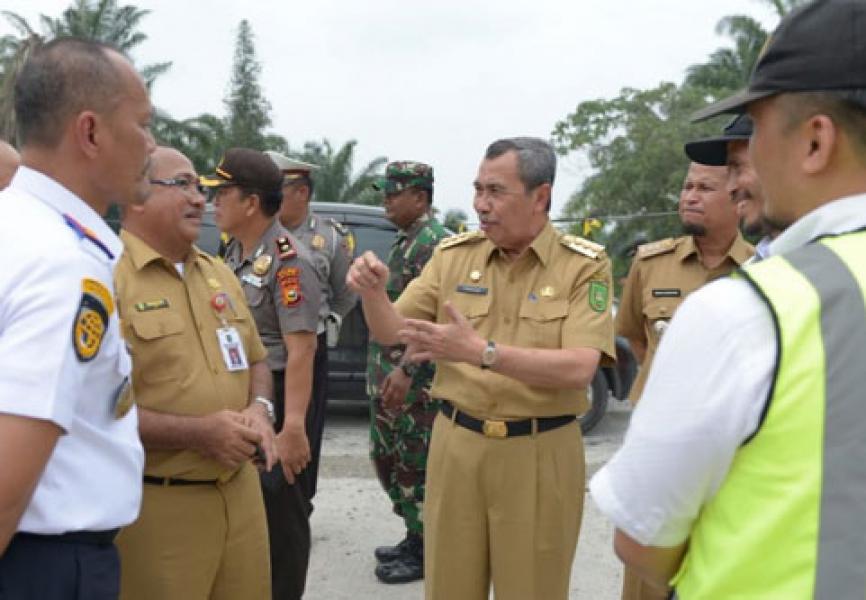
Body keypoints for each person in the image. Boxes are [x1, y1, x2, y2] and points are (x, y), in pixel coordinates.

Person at [590, 1, 866, 597]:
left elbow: (641, 538)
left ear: (816, 142)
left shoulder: (749, 313)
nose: (747, 167)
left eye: (758, 130)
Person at [347, 137, 615, 600]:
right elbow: (393, 330)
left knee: (531, 589)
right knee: (449, 586)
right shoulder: (454, 256)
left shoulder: (583, 266)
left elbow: (578, 369)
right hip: (457, 445)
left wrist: (481, 352)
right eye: (478, 189)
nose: (481, 205)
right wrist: (372, 293)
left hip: (539, 450)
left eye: (496, 191)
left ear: (541, 197)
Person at [0, 37, 150, 599]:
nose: (151, 145)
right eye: (142, 123)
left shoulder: (15, 224)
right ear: (90, 132)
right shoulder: (62, 265)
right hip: (43, 566)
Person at [115, 146, 274, 600]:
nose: (200, 198)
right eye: (182, 184)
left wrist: (260, 411)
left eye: (199, 187)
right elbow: (91, 412)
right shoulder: (108, 277)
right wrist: (197, 433)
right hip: (161, 507)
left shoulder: (219, 274)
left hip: (240, 498)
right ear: (137, 195)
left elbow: (257, 359)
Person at [204, 148, 321, 600]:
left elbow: (302, 350)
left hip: (279, 409)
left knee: (280, 527)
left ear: (251, 203)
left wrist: (293, 427)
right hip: (246, 402)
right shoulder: (234, 251)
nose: (214, 202)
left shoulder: (289, 262)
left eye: (223, 193)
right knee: (246, 525)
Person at [364, 161, 449, 584]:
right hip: (391, 378)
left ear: (420, 197)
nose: (386, 200)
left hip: (417, 383)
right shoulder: (408, 241)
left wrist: (404, 370)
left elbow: (430, 324)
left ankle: (426, 548)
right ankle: (414, 536)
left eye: (394, 192)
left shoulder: (435, 244)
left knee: (416, 465)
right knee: (391, 461)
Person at [616, 161, 753, 409]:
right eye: (687, 187)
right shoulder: (650, 263)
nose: (690, 197)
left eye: (705, 188)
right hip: (660, 417)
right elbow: (636, 337)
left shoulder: (762, 268)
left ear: (739, 201)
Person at [265, 151, 356, 502]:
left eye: (278, 190)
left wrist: (327, 321)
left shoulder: (329, 239)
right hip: (264, 349)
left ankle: (299, 506)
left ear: (301, 192)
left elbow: (346, 293)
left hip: (307, 351)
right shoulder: (258, 232)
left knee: (302, 433)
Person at [685, 114, 781, 261]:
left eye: (738, 167)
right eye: (688, 187)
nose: (730, 187)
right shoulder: (758, 264)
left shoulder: (824, 264)